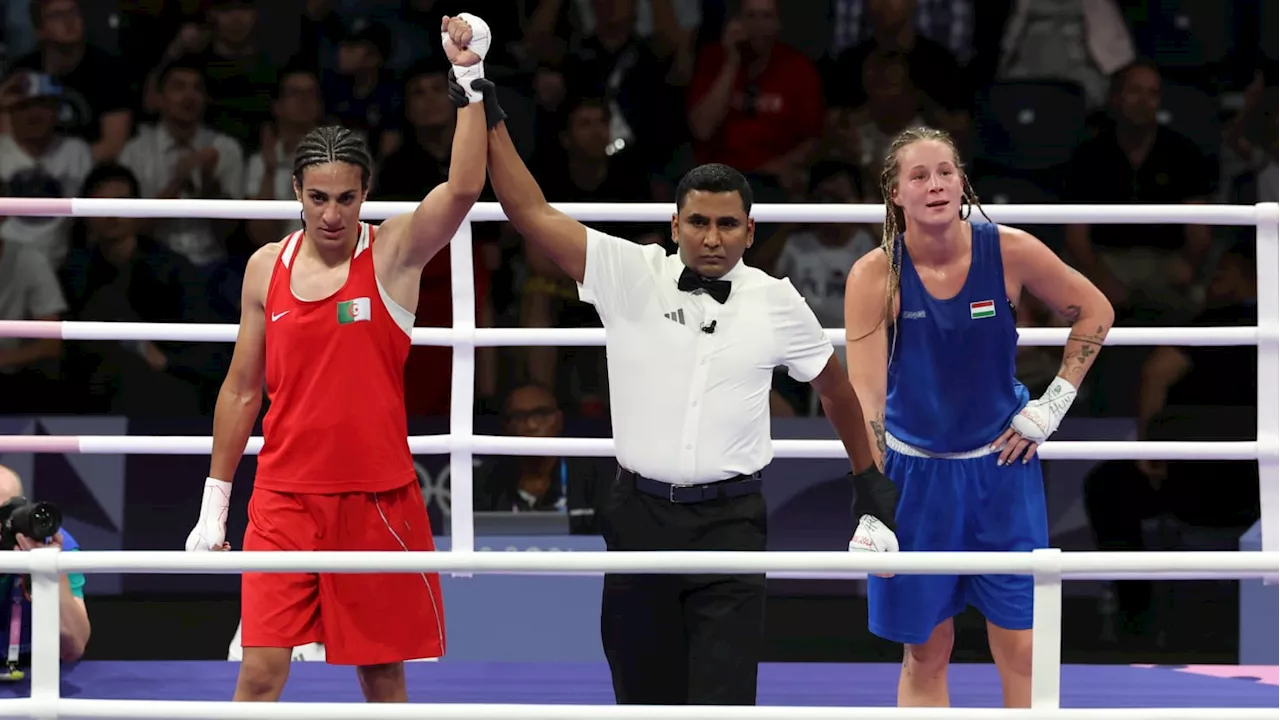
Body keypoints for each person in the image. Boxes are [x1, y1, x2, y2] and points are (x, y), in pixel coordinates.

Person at [467, 76, 900, 706]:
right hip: (638, 517)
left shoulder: (777, 301)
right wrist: (490, 117)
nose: (712, 237)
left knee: (723, 703)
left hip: (732, 525)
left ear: (751, 232)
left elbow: (834, 389)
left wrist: (869, 480)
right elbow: (530, 212)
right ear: (675, 225)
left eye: (728, 224)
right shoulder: (627, 273)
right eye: (698, 222)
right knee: (643, 698)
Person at [182, 13, 492, 703]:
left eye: (346, 198)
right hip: (283, 501)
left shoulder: (393, 253)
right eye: (317, 198)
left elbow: (465, 189)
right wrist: (215, 501)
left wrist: (468, 78)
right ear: (295, 191)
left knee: (381, 677)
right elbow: (240, 390)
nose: (330, 214)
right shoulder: (266, 267)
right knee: (260, 673)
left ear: (365, 193)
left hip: (375, 499)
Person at [843, 126, 1115, 709]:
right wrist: (872, 497)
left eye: (946, 172)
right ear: (896, 192)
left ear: (962, 181)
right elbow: (866, 395)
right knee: (926, 651)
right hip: (915, 477)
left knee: (1022, 647)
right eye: (919, 176)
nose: (936, 185)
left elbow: (1095, 309)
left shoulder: (1010, 249)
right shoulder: (874, 275)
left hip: (1001, 468)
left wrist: (1053, 403)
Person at [0, 465, 91, 666]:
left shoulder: (55, 545)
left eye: (5, 513)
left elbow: (72, 648)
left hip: (32, 667)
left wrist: (49, 574)